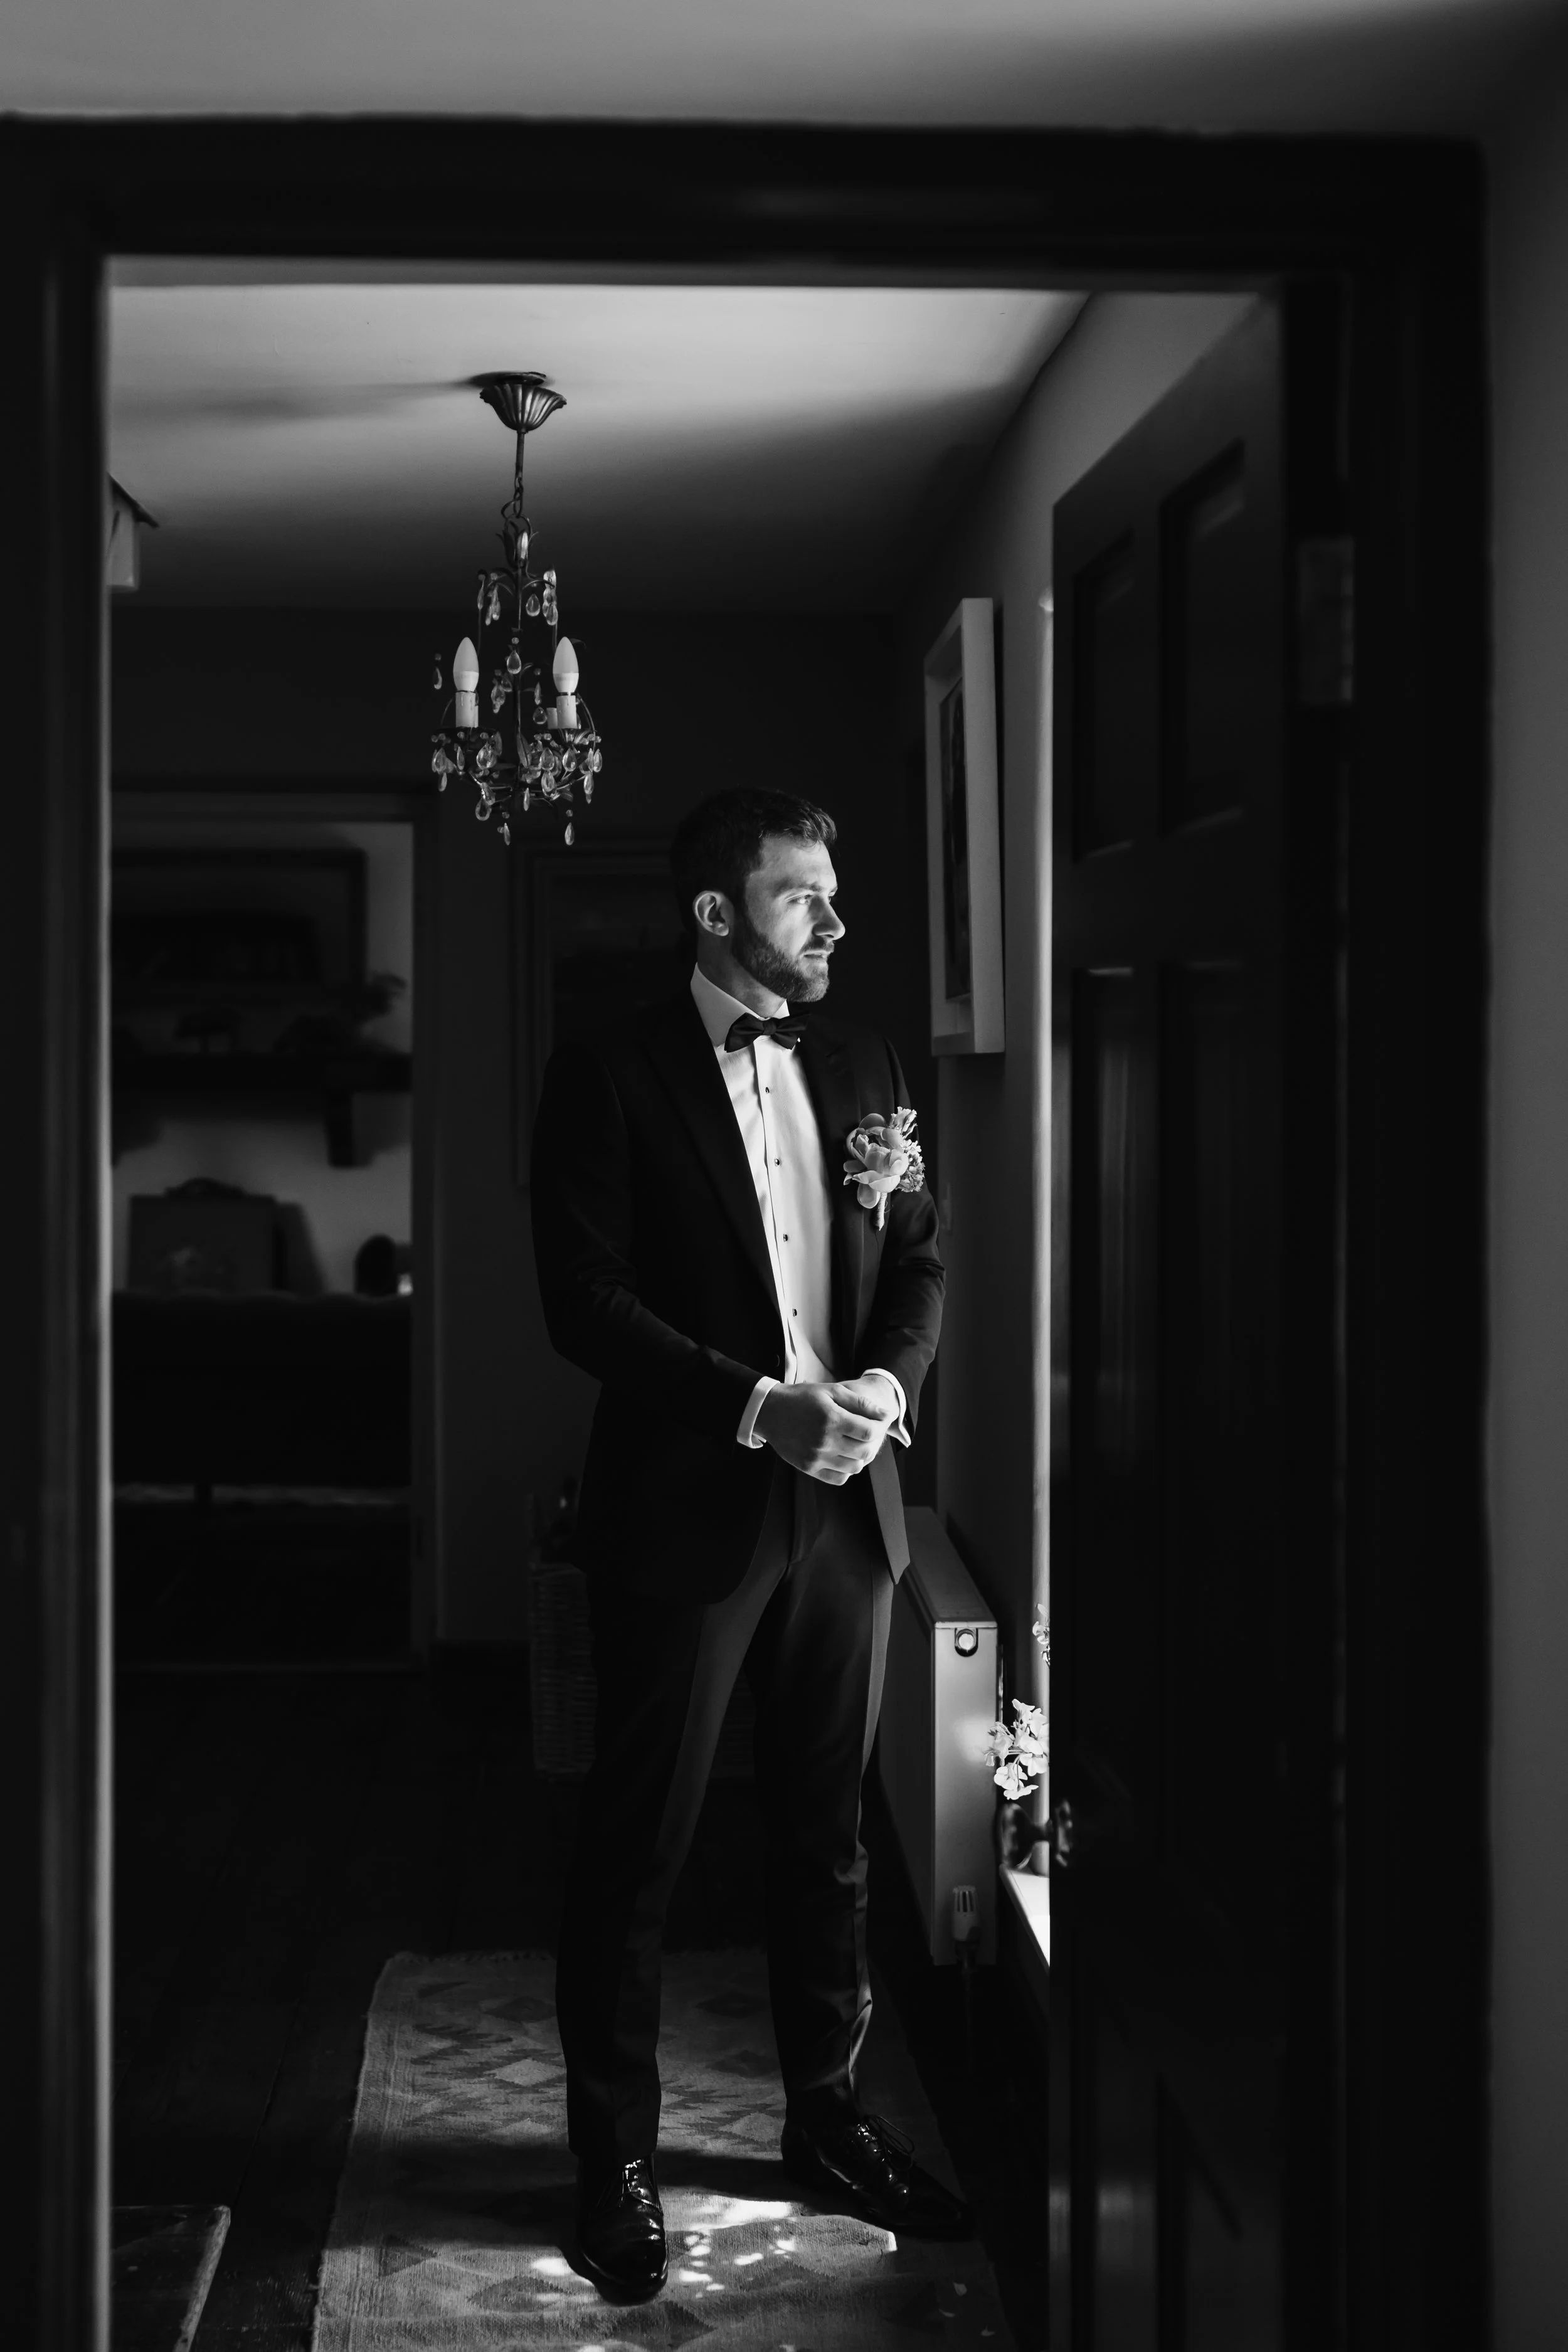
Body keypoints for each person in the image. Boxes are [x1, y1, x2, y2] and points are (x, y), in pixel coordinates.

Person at [530, 786, 961, 2306]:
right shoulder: (607, 1069)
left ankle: (827, 2122)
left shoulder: (865, 1063)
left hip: (849, 1504)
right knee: (637, 1843)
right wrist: (756, 1410)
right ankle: (613, 2163)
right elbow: (581, 1300)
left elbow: (916, 1258)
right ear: (717, 914)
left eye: (831, 892)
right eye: (800, 897)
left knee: (825, 1836)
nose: (834, 920)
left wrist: (883, 1387)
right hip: (683, 1509)